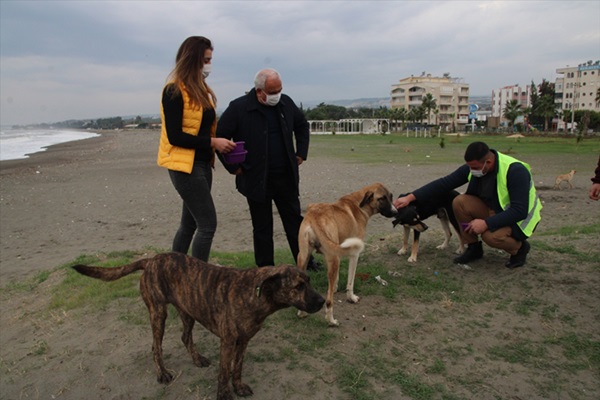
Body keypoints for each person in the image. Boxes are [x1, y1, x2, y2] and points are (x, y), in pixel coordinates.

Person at [216, 68, 321, 270]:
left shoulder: (286, 103)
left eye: (279, 90)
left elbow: (302, 126)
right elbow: (220, 138)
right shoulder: (239, 108)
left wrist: (301, 152)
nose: (276, 95)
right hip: (256, 178)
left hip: (285, 177)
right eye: (272, 92)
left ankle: (306, 262)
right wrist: (232, 166)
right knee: (262, 226)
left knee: (294, 222)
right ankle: (265, 268)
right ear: (259, 91)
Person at [394, 141, 542, 269]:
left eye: (474, 168)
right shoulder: (476, 167)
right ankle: (473, 248)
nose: (471, 171)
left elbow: (519, 211)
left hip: (519, 220)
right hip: (495, 210)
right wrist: (410, 197)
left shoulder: (515, 171)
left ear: (488, 163)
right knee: (459, 202)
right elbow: (444, 183)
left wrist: (486, 223)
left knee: (490, 236)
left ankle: (520, 249)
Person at [157, 36, 236, 261]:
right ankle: (197, 279)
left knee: (189, 224)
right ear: (193, 59)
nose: (210, 65)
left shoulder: (200, 89)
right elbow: (175, 137)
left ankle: (173, 272)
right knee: (207, 224)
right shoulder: (173, 91)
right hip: (184, 166)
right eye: (206, 60)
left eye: (211, 59)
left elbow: (204, 128)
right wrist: (213, 142)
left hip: (202, 164)